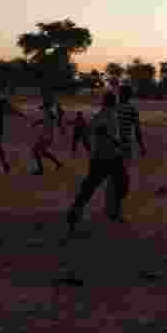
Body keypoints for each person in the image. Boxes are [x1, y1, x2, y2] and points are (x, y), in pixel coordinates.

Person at [63, 92, 129, 241]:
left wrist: (91, 149)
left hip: (103, 157)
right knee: (119, 184)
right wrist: (116, 144)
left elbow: (88, 132)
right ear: (112, 102)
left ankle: (76, 211)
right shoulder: (108, 115)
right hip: (109, 158)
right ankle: (79, 212)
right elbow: (104, 132)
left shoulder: (104, 114)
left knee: (93, 186)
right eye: (114, 100)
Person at [104, 84, 147, 221]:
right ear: (129, 95)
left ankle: (110, 209)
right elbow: (138, 130)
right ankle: (116, 211)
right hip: (125, 148)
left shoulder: (113, 108)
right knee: (122, 180)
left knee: (113, 179)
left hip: (111, 147)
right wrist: (142, 146)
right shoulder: (132, 109)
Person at [30, 101, 64, 175]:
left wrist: (57, 112)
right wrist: (36, 123)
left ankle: (40, 169)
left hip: (47, 137)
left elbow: (55, 117)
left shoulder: (50, 113)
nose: (42, 109)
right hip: (45, 136)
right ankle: (58, 164)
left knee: (35, 151)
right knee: (43, 152)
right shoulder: (47, 113)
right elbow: (44, 120)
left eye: (43, 107)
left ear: (47, 107)